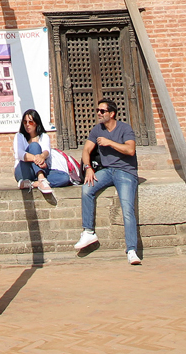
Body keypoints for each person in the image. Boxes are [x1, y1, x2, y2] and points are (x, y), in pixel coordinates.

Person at [73, 99, 141, 265]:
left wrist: (109, 142)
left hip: (126, 171)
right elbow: (86, 150)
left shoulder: (125, 128)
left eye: (102, 111)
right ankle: (88, 232)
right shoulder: (97, 130)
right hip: (107, 171)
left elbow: (130, 150)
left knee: (127, 208)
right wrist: (88, 168)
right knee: (87, 188)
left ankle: (131, 250)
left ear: (111, 114)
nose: (99, 113)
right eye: (98, 110)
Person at [12, 109, 73, 194]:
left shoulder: (44, 136)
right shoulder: (19, 136)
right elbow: (20, 154)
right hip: (24, 170)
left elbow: (46, 151)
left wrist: (42, 157)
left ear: (36, 123)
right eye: (25, 122)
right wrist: (36, 158)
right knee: (34, 145)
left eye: (30, 122)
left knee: (64, 178)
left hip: (41, 168)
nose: (27, 125)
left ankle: (34, 183)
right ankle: (41, 178)